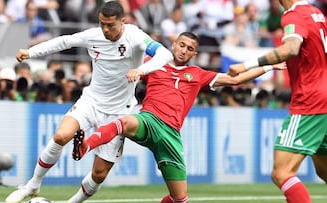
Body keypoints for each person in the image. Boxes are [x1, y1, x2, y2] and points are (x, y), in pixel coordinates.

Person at [72, 31, 285, 203]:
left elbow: (235, 79)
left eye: (190, 49)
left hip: (171, 135)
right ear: (174, 45)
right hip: (150, 120)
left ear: (194, 54)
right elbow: (125, 64)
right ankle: (85, 146)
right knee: (126, 121)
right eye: (181, 45)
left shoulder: (198, 74)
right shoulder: (154, 63)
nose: (184, 50)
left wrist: (267, 67)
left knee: (179, 199)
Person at [5, 1, 173, 203]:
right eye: (102, 23)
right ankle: (32, 185)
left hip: (119, 111)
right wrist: (31, 52)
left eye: (110, 25)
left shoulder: (135, 37)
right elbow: (64, 41)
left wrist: (141, 70)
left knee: (99, 174)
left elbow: (165, 54)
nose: (105, 29)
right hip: (91, 101)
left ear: (123, 22)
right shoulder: (94, 35)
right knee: (61, 136)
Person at [228, 0, 327, 202]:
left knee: (282, 172)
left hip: (311, 101)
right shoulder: (317, 14)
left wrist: (246, 65)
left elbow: (291, 48)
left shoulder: (293, 14)